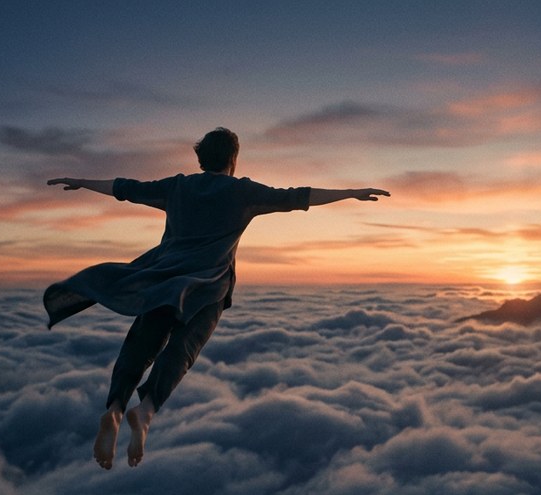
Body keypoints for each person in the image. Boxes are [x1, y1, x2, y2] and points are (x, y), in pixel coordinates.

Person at [44, 127, 389, 470]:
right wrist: (351, 193)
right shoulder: (242, 192)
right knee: (185, 347)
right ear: (233, 160)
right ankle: (145, 411)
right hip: (208, 286)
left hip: (162, 281)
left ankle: (115, 409)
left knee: (141, 342)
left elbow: (125, 188)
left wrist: (81, 181)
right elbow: (297, 197)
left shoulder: (178, 186)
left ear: (201, 159)